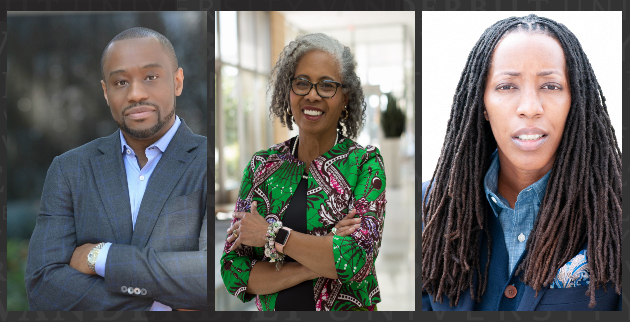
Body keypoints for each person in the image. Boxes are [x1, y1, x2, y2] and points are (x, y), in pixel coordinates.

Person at [421, 14, 622, 311]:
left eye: (550, 86)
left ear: (575, 100)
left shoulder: (613, 212)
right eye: (507, 86)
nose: (530, 107)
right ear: (483, 104)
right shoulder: (430, 208)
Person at [24, 27, 207, 311]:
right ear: (106, 92)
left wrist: (102, 257)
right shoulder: (69, 169)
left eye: (150, 77)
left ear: (178, 81)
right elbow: (42, 284)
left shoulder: (207, 161)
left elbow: (212, 274)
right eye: (121, 82)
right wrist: (158, 307)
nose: (135, 94)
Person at [219, 33, 387, 311]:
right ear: (289, 92)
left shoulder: (364, 163)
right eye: (302, 83)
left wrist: (271, 235)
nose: (312, 94)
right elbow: (233, 270)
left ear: (345, 97)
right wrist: (321, 260)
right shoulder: (262, 165)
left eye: (327, 85)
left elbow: (357, 260)